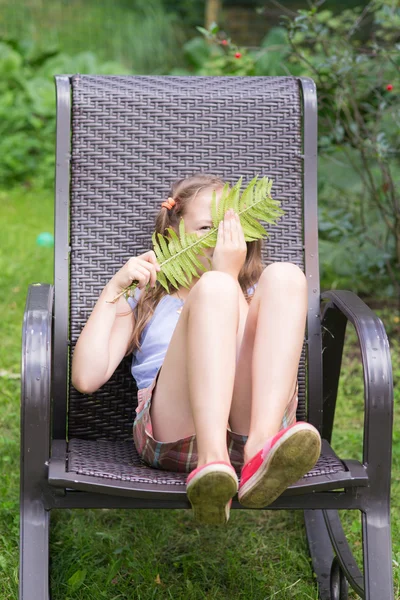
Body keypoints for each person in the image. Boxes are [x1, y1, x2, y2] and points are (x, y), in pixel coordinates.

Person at [71, 173, 321, 525]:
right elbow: (86, 376)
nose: (221, 238)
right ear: (174, 234)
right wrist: (114, 290)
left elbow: (249, 363)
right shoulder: (147, 299)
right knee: (213, 288)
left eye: (231, 226)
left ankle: (261, 450)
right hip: (174, 432)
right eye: (207, 228)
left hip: (249, 423)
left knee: (286, 276)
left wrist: (230, 278)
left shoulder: (254, 296)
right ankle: (211, 460)